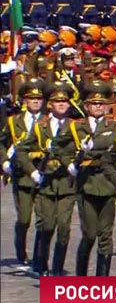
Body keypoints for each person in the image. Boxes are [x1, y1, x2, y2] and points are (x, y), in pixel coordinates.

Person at [16, 81, 76, 277]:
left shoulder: (75, 127)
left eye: (65, 101)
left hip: (67, 184)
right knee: (47, 225)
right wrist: (33, 172)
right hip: (46, 184)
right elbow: (22, 151)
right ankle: (41, 264)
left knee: (64, 229)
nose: (61, 104)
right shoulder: (40, 126)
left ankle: (57, 269)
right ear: (49, 104)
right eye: (57, 101)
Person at [64, 81, 116, 276]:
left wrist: (92, 148)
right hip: (86, 184)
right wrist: (71, 163)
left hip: (107, 184)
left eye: (101, 103)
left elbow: (113, 148)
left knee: (106, 234)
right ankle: (81, 276)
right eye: (94, 103)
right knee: (89, 233)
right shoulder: (76, 127)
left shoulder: (114, 126)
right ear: (86, 106)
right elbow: (60, 147)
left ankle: (102, 279)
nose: (98, 106)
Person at [3, 79, 47, 270]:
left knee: (43, 218)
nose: (36, 102)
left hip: (44, 174)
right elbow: (2, 142)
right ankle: (21, 251)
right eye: (32, 98)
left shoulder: (48, 121)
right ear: (24, 101)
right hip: (22, 176)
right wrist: (4, 161)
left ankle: (39, 258)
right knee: (24, 218)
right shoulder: (14, 122)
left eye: (39, 98)